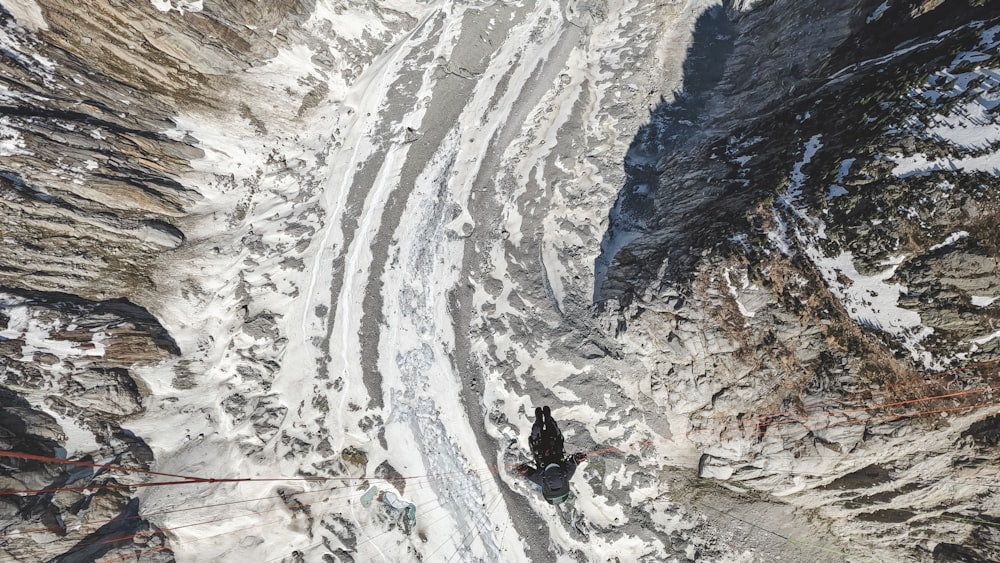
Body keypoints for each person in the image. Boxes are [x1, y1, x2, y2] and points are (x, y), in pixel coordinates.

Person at [515, 406, 586, 504]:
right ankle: (540, 418)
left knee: (551, 427)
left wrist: (578, 458)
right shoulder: (541, 481)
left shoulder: (567, 476)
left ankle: (546, 417)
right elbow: (528, 473)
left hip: (555, 446)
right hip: (540, 449)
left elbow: (573, 463)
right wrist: (522, 470)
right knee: (537, 430)